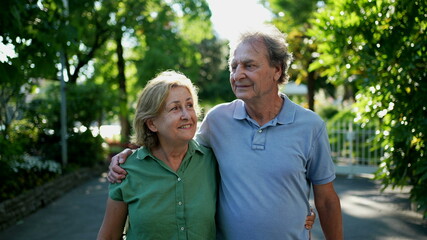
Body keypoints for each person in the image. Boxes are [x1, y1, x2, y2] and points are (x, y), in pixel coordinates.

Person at [108, 24, 341, 239]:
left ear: (277, 70)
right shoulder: (218, 120)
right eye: (234, 66)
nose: (237, 74)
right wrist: (131, 155)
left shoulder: (310, 126)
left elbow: (327, 201)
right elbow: (177, 146)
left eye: (249, 65)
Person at [97, 70, 218, 239]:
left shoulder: (213, 161)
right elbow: (109, 236)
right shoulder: (126, 170)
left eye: (189, 105)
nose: (186, 115)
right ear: (152, 123)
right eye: (175, 108)